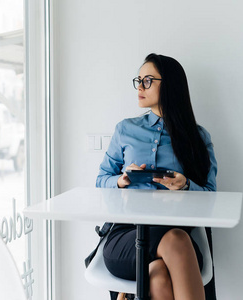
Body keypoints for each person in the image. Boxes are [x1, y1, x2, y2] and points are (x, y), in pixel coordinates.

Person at [96, 53, 217, 300]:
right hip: (127, 235)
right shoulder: (125, 129)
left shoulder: (198, 137)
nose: (139, 87)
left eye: (148, 80)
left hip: (176, 232)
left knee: (159, 275)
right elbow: (101, 179)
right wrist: (122, 181)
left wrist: (185, 186)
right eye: (138, 80)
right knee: (176, 241)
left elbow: (212, 197)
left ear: (170, 85)